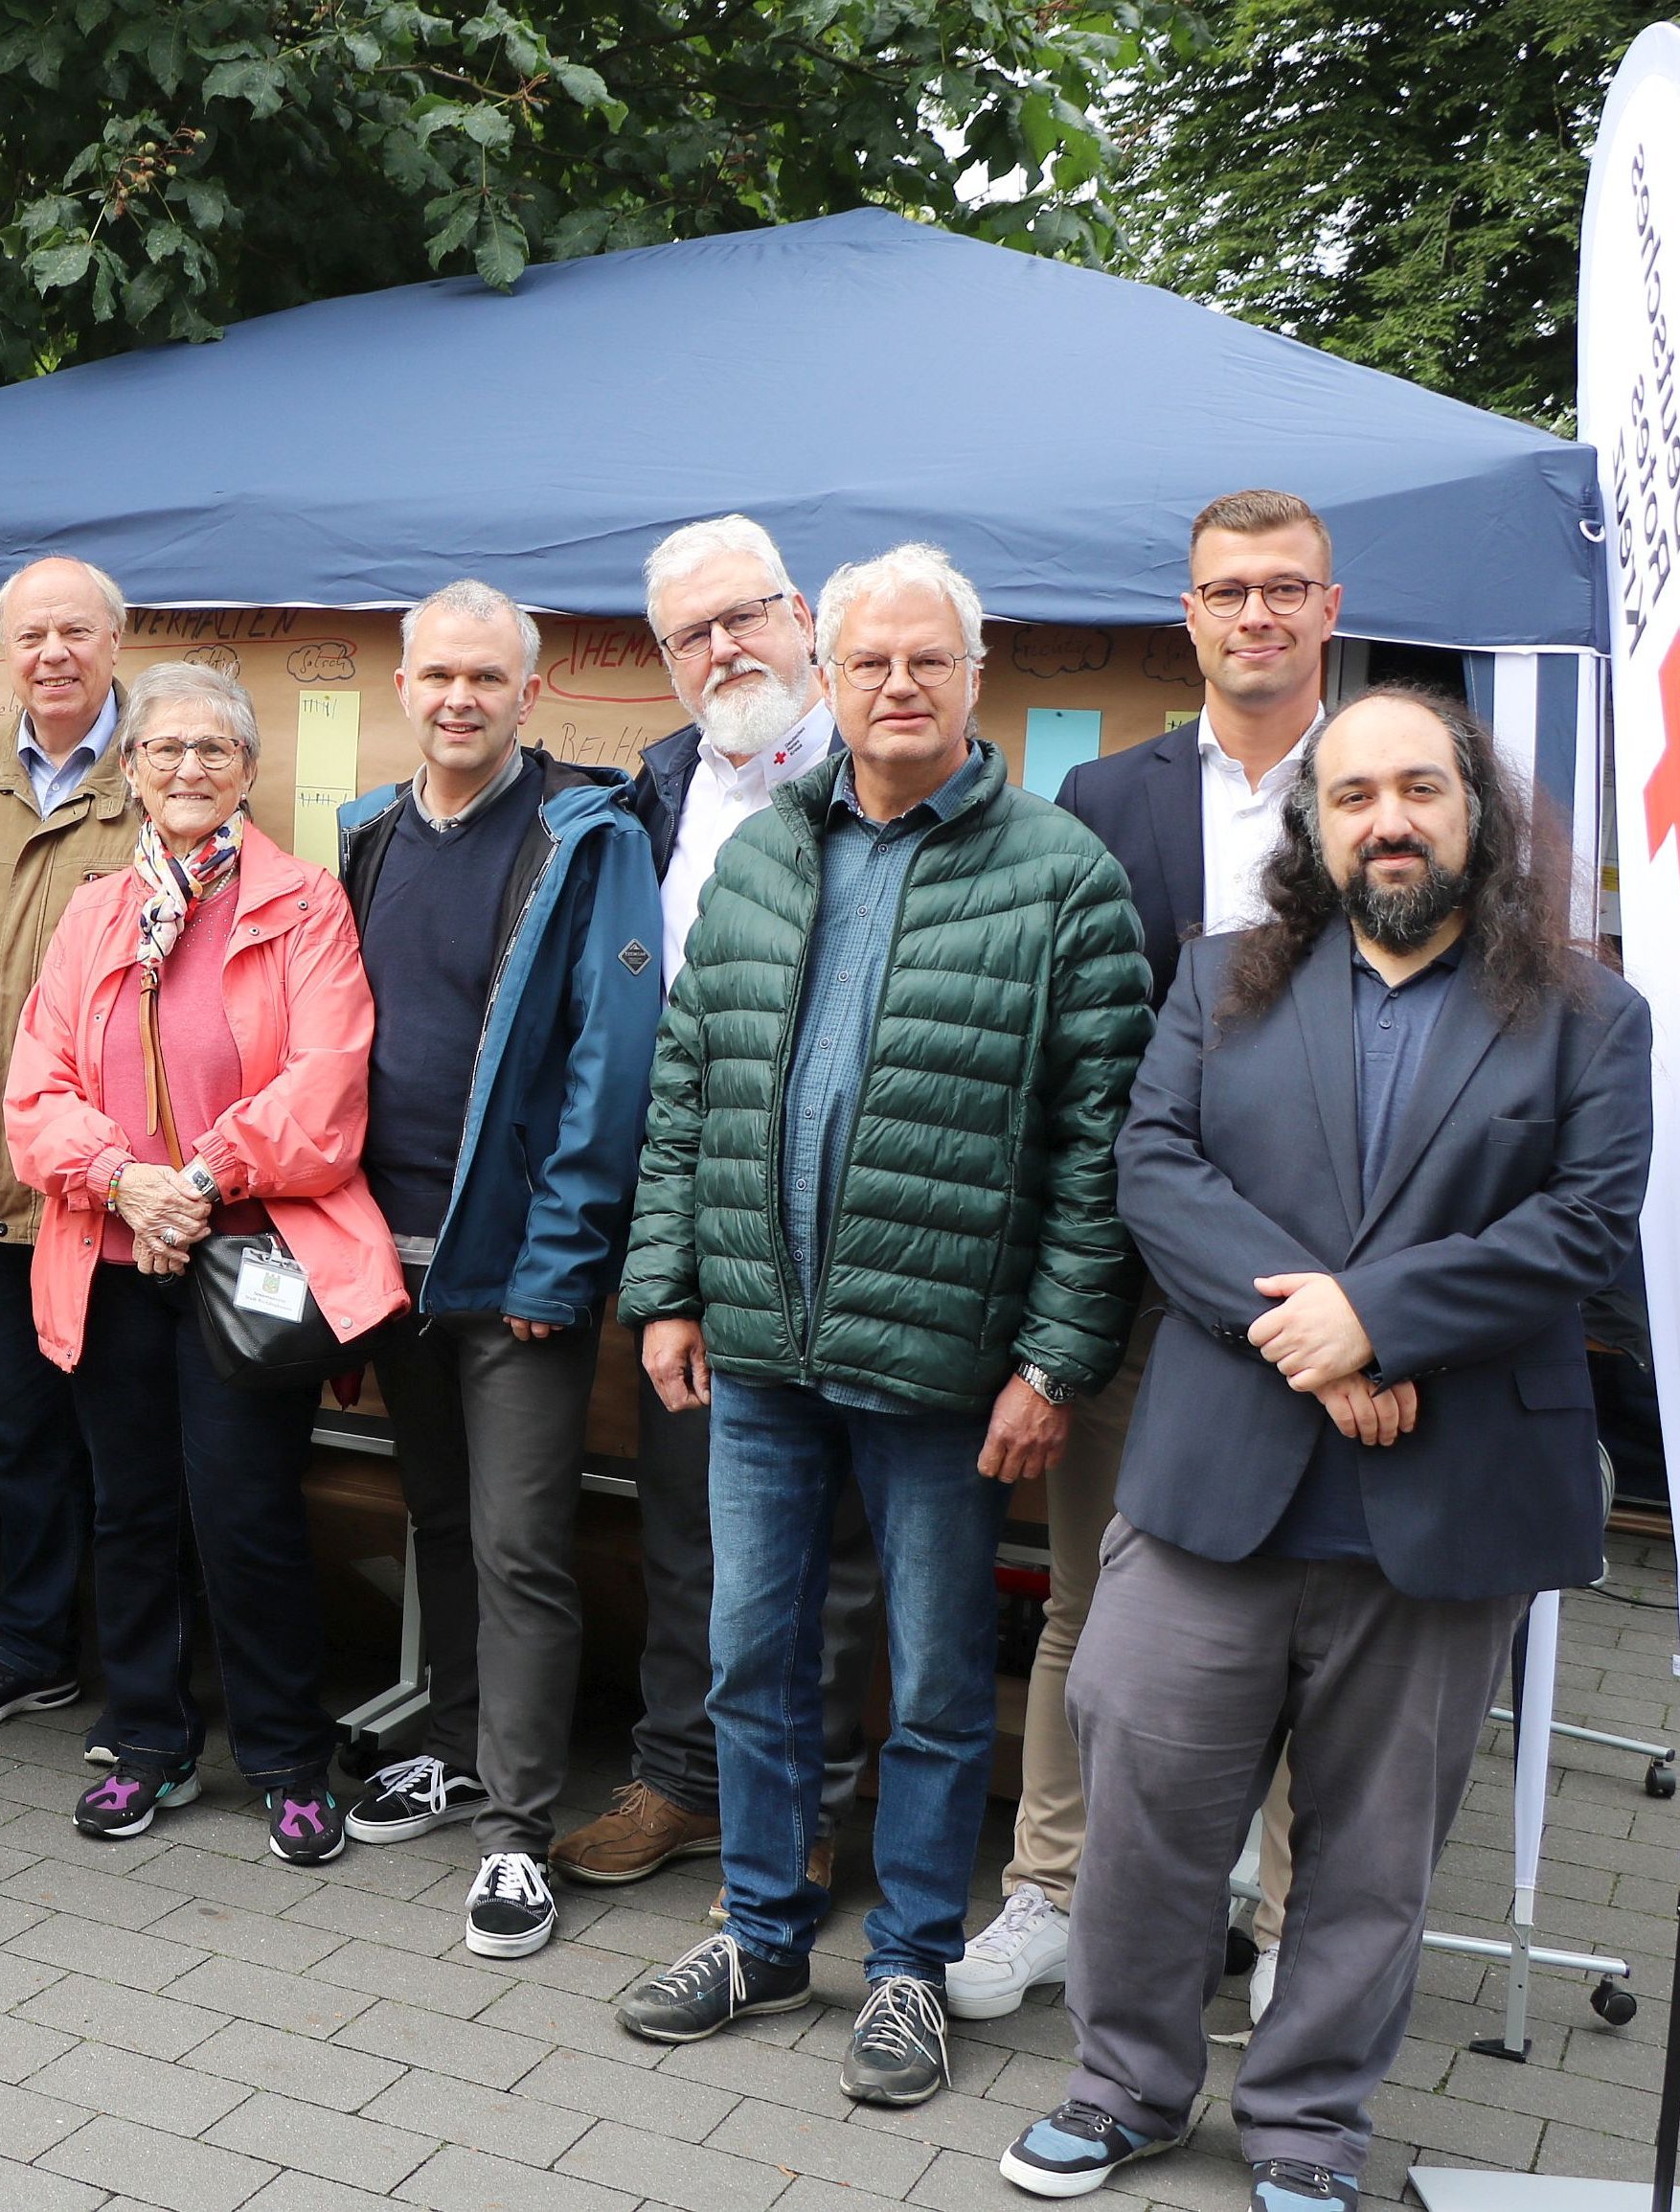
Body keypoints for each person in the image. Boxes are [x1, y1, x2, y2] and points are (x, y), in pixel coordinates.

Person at [998, 688, 1648, 2212]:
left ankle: (1303, 2124)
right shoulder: (1219, 977)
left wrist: (1377, 1317)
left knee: (1367, 1857)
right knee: (1147, 1812)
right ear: (1312, 826)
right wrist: (1310, 1339)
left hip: (1444, 1499)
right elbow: (1149, 1165)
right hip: (1221, 1477)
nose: (1387, 820)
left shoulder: (1587, 1011)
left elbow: (1580, 1222)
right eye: (1351, 795)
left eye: (1418, 788)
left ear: (1473, 810)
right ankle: (1122, 2089)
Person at [612, 543, 1152, 2108]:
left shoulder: (1059, 874)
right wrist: (667, 1286)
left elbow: (1093, 1144)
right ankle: (765, 1929)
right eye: (870, 661)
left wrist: (1054, 1354)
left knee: (927, 1686)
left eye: (927, 659)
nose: (897, 684)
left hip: (942, 1366)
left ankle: (908, 1958)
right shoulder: (763, 852)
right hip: (761, 1353)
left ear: (973, 677)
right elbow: (688, 1089)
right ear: (829, 677)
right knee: (747, 1655)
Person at [963, 489, 1337, 2021]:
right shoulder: (1097, 805)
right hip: (1128, 1272)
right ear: (1182, 615)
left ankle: (1289, 1925)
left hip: (1330, 1282)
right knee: (1087, 1597)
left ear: (1327, 608)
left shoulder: (1392, 788)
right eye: (1223, 591)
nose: (1252, 615)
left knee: (1319, 1620)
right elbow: (1057, 1058)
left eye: (1280, 589)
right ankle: (1049, 1888)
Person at [6, 662, 405, 1862]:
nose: (187, 769)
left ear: (247, 769)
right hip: (110, 1254)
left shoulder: (304, 904)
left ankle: (285, 1754)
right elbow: (35, 1092)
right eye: (163, 749)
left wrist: (197, 1179)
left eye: (212, 750)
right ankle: (147, 1742)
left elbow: (329, 1086)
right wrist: (120, 1177)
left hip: (248, 1267)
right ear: (129, 769)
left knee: (246, 1515)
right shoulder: (90, 913)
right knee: (129, 1511)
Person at [561, 515, 884, 1914]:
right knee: (687, 1516)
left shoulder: (886, 769)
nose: (722, 649)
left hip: (857, 1212)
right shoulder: (656, 792)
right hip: (692, 1209)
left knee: (835, 1543)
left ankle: (803, 1814)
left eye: (742, 618)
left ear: (800, 614)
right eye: (690, 634)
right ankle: (684, 1782)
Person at [331, 582, 660, 1955]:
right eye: (434, 675)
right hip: (382, 1253)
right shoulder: (362, 836)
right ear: (400, 687)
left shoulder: (586, 839)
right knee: (439, 1522)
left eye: (485, 677)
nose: (456, 698)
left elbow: (609, 1061)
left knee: (522, 1543)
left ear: (528, 694)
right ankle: (461, 1750)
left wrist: (562, 1254)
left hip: (515, 1266)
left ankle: (515, 1830)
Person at [0, 556, 145, 1738]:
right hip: (3, 1180)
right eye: (30, 634)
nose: (51, 653)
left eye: (74, 631)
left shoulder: (163, 768)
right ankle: (31, 1646)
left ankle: (147, 1671)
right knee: (20, 1430)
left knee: (127, 1438)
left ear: (116, 639)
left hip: (119, 1194)